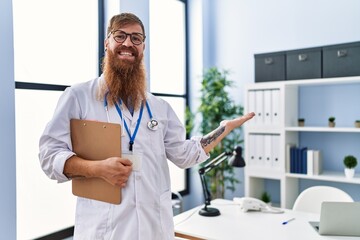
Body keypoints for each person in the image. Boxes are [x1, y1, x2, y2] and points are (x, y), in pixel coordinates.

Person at [39, 12, 255, 240]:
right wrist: (97, 169)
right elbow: (49, 156)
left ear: (143, 47)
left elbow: (184, 155)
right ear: (107, 43)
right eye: (120, 36)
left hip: (155, 230)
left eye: (136, 38)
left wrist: (224, 128)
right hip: (104, 231)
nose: (128, 44)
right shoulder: (79, 96)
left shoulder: (158, 107)